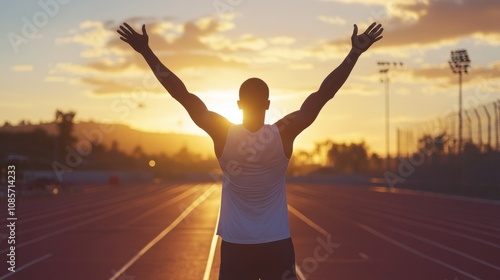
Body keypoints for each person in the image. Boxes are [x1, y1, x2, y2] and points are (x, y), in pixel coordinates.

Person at [117, 21, 383, 280]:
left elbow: (181, 94)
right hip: (277, 244)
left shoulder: (223, 134)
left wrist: (146, 52)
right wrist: (355, 53)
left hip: (237, 246)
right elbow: (324, 94)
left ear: (238, 104)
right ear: (268, 104)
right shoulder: (283, 133)